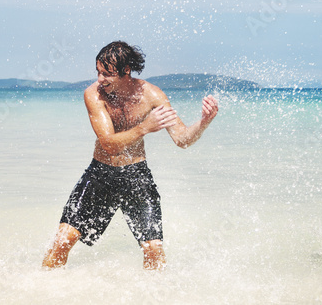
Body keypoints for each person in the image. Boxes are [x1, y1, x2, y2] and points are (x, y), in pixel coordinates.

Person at [41, 41, 219, 270]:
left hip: (136, 176)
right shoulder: (94, 95)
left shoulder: (153, 96)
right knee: (62, 241)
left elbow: (182, 139)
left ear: (126, 71)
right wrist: (145, 127)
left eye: (107, 74)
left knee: (153, 249)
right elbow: (109, 144)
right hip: (100, 174)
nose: (100, 79)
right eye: (98, 72)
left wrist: (204, 122)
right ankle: (44, 288)